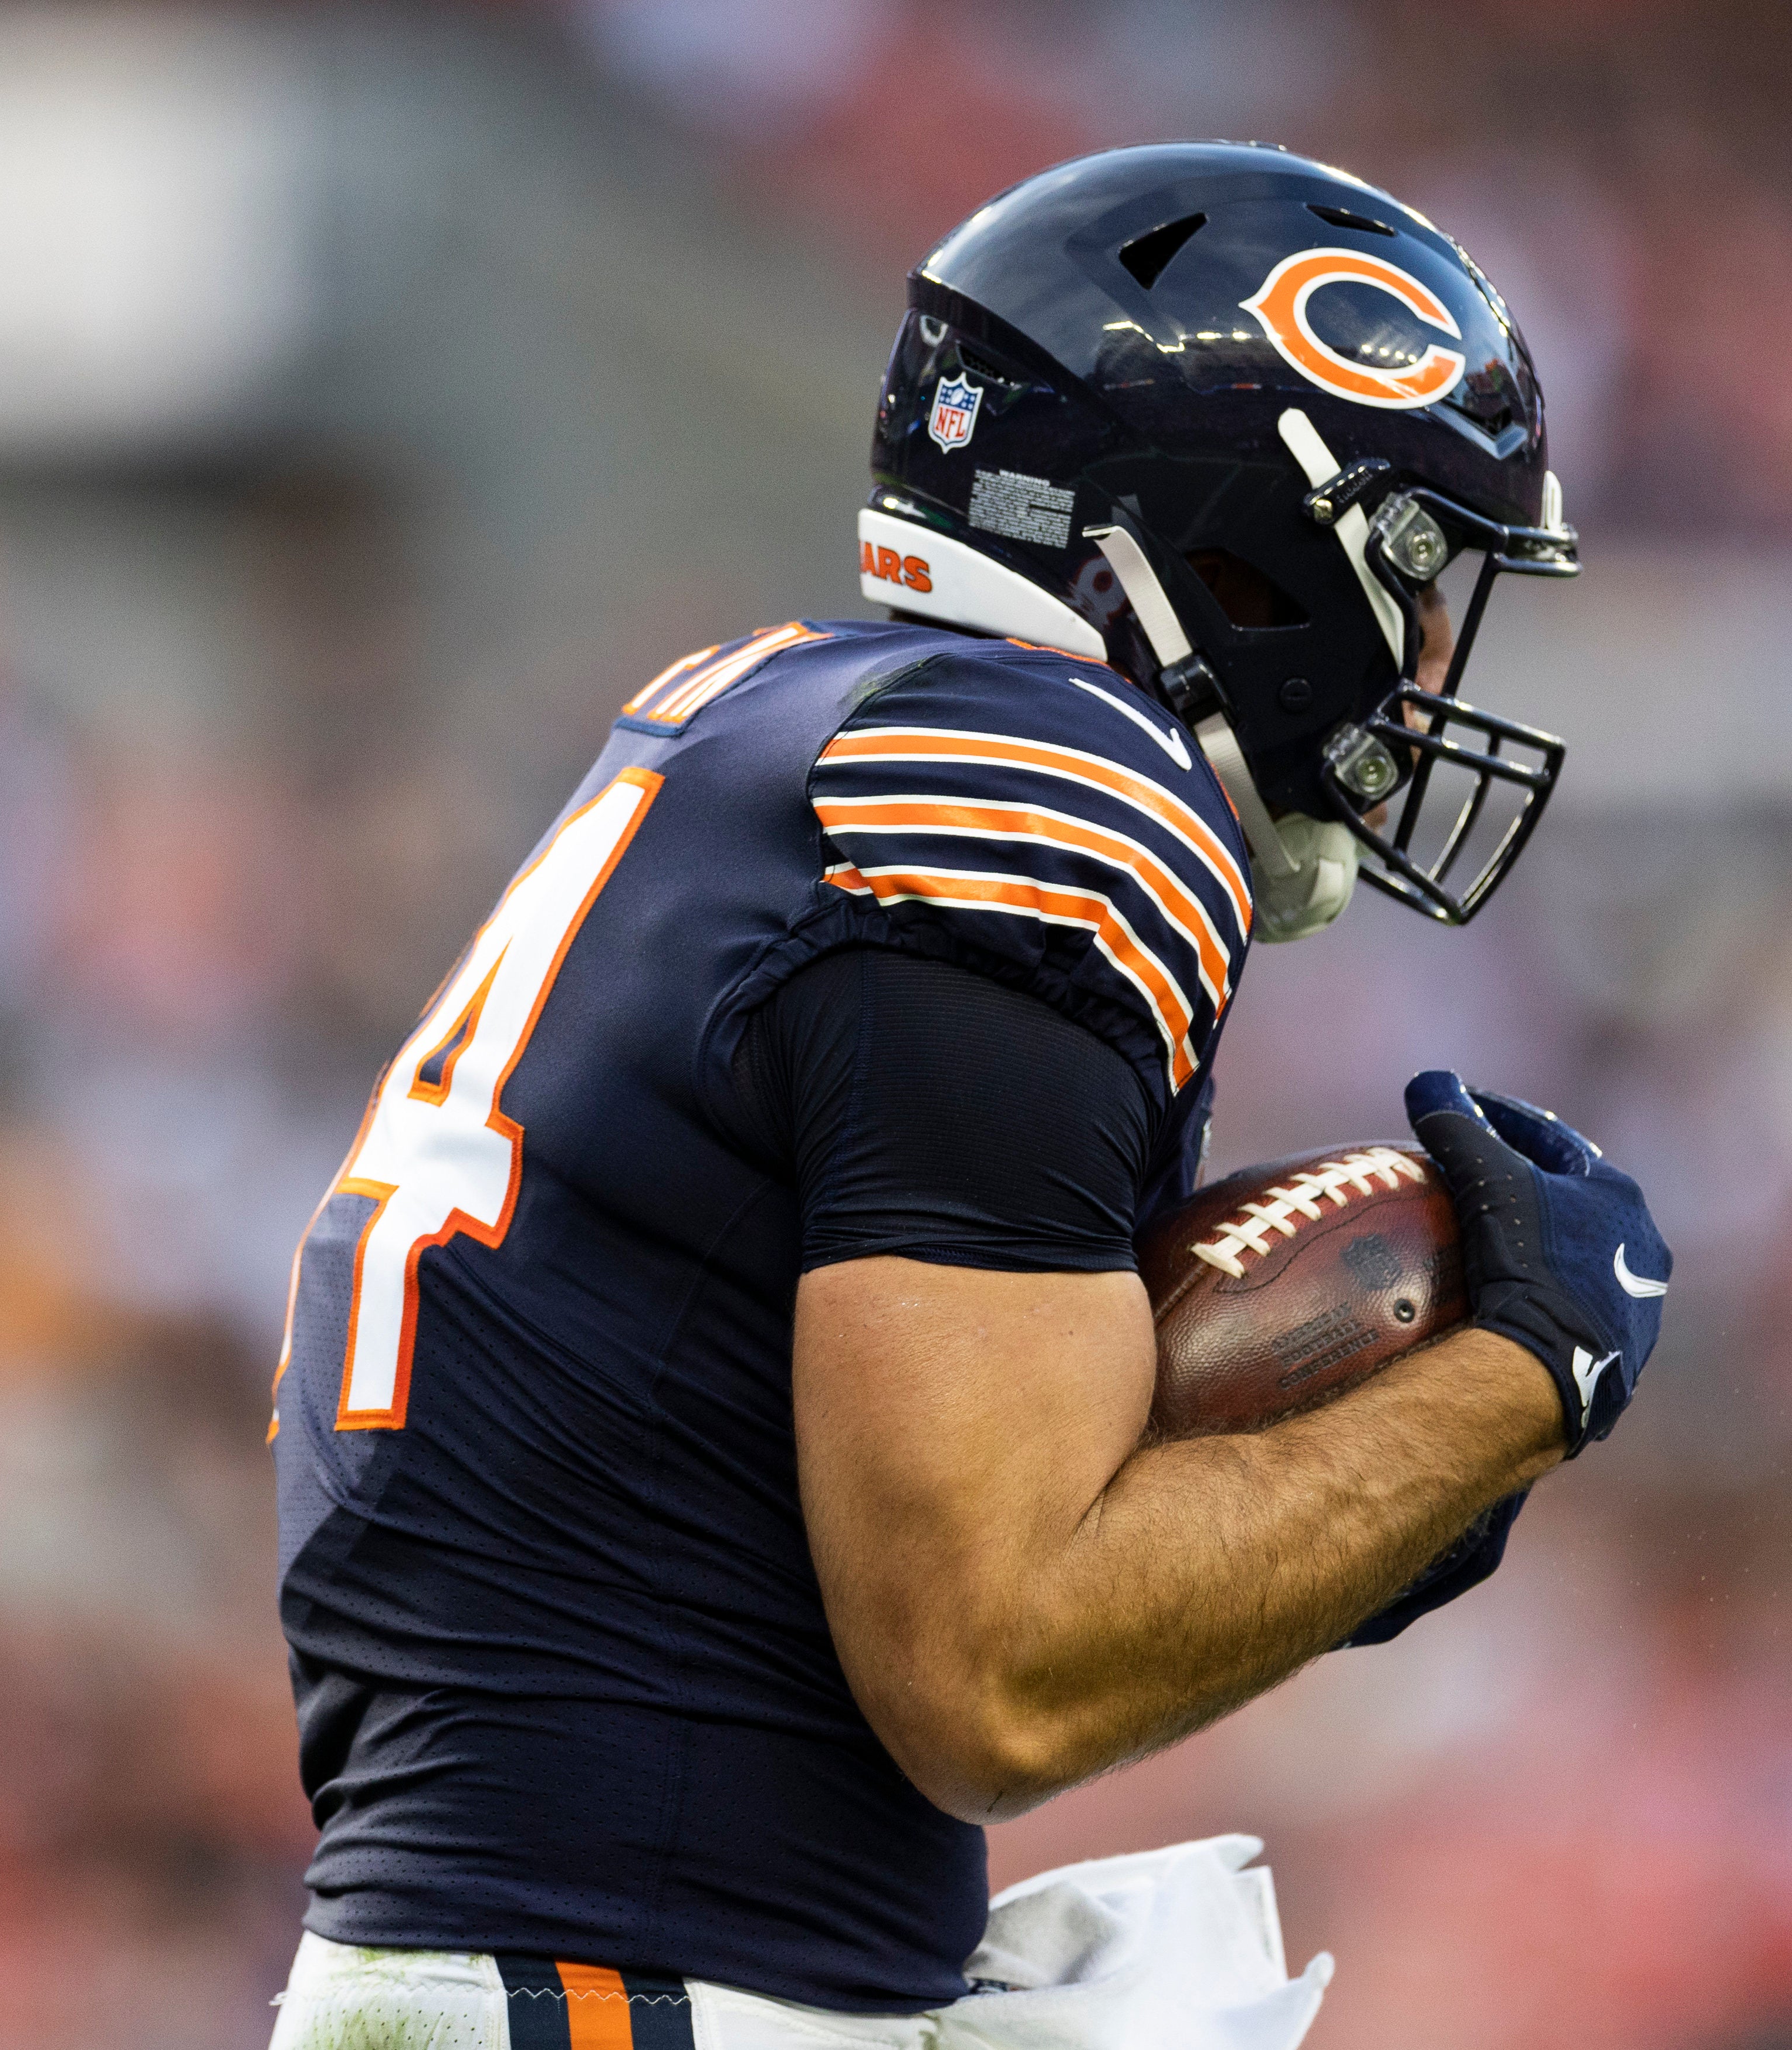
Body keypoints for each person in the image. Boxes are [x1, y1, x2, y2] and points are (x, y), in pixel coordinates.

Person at [265, 142, 1669, 2049]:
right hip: (629, 1985)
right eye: (1419, 574)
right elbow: (995, 1670)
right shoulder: (1043, 796)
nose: (1429, 663)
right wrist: (1521, 1377)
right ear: (1237, 533)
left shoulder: (777, 708)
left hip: (577, 1952)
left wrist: (1344, 1511)